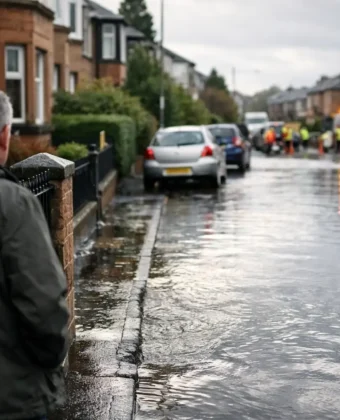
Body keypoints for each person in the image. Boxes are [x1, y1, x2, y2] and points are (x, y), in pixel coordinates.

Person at [0, 91, 69, 420]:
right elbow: (44, 308)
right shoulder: (12, 205)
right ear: (4, 135)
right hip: (12, 398)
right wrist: (51, 359)